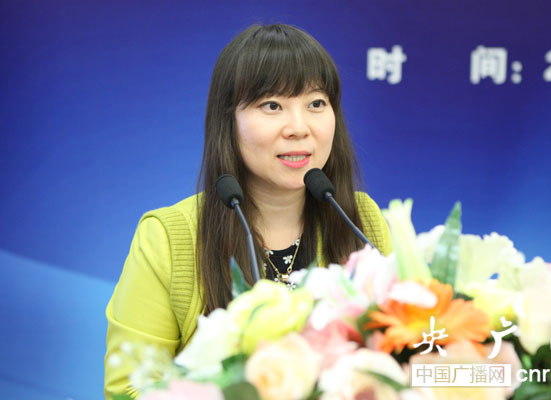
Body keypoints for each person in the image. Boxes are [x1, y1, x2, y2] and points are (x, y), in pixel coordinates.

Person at [104, 23, 392, 398]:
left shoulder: (360, 221)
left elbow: (400, 352)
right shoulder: (169, 237)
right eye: (272, 106)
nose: (299, 127)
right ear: (229, 121)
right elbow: (129, 388)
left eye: (316, 104)